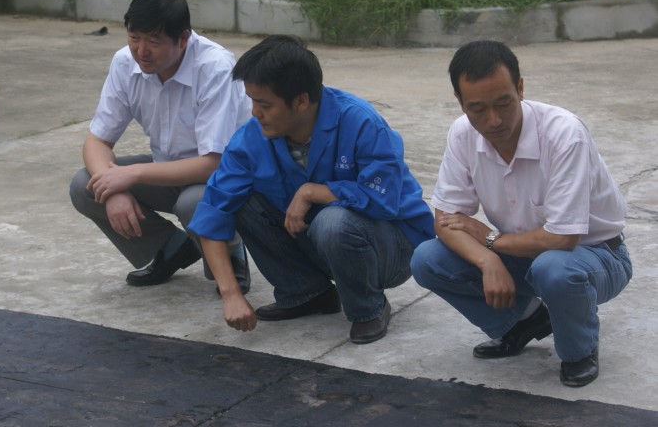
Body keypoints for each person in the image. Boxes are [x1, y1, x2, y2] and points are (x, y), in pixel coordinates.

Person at [410, 40, 632, 387]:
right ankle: (526, 321)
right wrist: (488, 260)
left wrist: (491, 240)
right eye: (477, 109)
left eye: (504, 103)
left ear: (521, 88)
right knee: (427, 259)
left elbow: (563, 238)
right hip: (520, 253)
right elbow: (446, 221)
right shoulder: (462, 134)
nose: (493, 120)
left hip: (596, 255)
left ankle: (580, 349)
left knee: (553, 268)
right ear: (460, 102)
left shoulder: (564, 135)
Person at [187, 35, 435, 344]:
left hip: (391, 248)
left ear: (301, 101)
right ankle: (306, 293)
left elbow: (382, 200)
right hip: (321, 244)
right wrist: (231, 294)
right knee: (244, 201)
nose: (254, 113)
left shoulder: (360, 122)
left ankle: (368, 308)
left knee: (333, 222)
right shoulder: (250, 139)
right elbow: (213, 213)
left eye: (265, 105)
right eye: (251, 101)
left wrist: (312, 192)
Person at [70, 0, 252, 292]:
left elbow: (213, 163)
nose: (141, 50)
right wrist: (113, 190)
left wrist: (132, 175)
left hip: (223, 177)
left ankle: (231, 260)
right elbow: (97, 141)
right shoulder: (125, 63)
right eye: (134, 37)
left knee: (193, 202)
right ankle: (169, 249)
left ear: (183, 38)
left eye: (153, 41)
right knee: (86, 185)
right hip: (167, 169)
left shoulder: (215, 68)